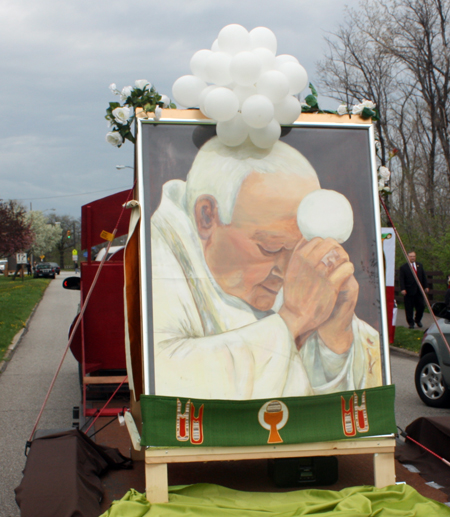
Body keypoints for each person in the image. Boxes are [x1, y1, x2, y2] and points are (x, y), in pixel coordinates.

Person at [150, 137, 382, 400]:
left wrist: (334, 343)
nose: (286, 273)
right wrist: (292, 319)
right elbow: (166, 377)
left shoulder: (287, 269)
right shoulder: (159, 255)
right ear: (206, 216)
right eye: (271, 247)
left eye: (297, 252)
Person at [399, 251, 429, 328]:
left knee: (421, 306)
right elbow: (401, 279)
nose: (412, 258)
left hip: (419, 290)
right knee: (409, 308)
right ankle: (411, 323)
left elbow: (424, 277)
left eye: (414, 256)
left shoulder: (419, 265)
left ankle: (418, 320)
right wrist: (403, 289)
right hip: (409, 291)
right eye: (411, 256)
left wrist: (426, 286)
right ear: (408, 257)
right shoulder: (404, 267)